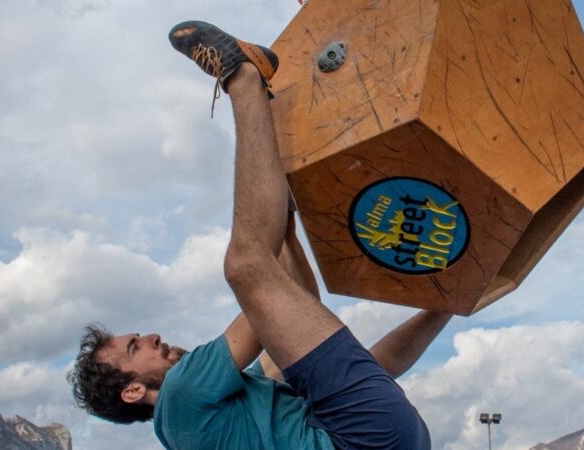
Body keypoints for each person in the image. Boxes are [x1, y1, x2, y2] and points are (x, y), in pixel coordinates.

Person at [68, 20, 452, 450]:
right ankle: (242, 75)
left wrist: (441, 308)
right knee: (245, 268)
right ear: (133, 390)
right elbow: (265, 288)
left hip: (395, 438)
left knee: (335, 357)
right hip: (365, 437)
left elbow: (304, 318)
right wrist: (274, 227)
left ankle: (443, 307)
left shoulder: (217, 418)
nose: (154, 336)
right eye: (136, 346)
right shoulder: (180, 396)